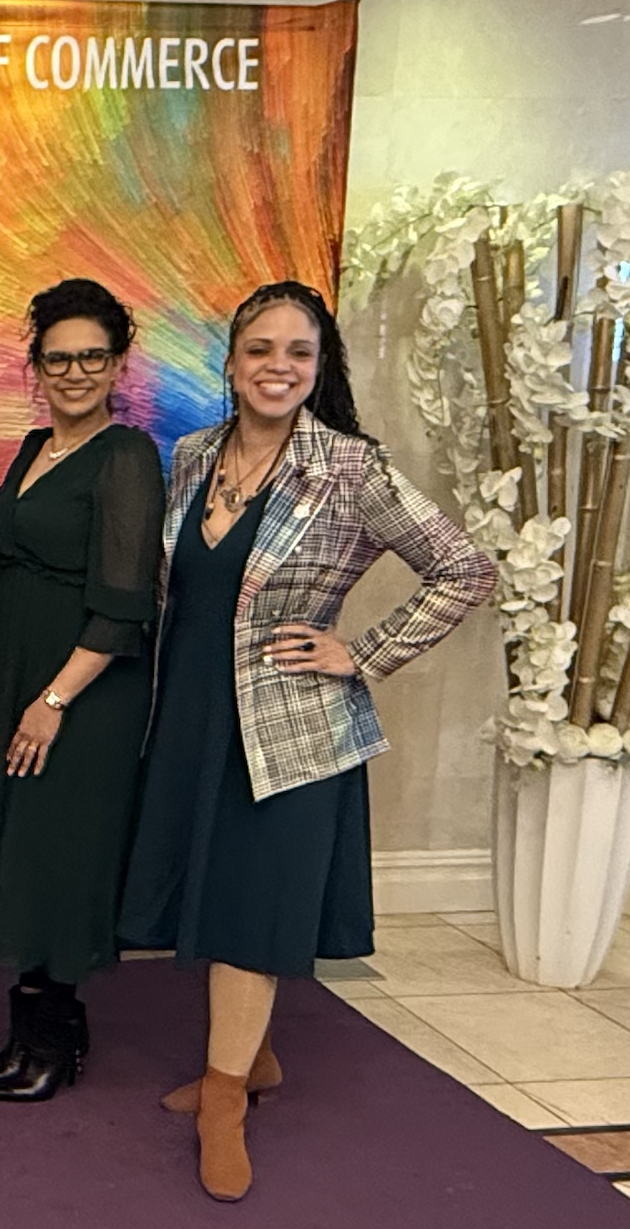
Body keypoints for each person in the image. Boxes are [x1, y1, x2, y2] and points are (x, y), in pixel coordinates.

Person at [120, 282, 493, 1202]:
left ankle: (222, 1100)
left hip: (288, 731)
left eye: (298, 352)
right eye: (260, 349)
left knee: (250, 912)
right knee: (214, 894)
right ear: (232, 360)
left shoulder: (349, 467)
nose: (276, 367)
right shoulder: (195, 454)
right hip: (193, 714)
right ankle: (256, 1057)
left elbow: (464, 566)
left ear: (319, 367)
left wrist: (360, 651)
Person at [0, 278, 164, 1103]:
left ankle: (56, 1040)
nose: (76, 373)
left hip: (82, 689)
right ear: (36, 367)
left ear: (117, 364)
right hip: (20, 666)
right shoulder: (29, 448)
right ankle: (29, 1033)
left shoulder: (126, 456)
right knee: (25, 850)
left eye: (93, 357)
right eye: (60, 359)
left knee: (63, 855)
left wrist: (52, 702)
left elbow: (123, 600)